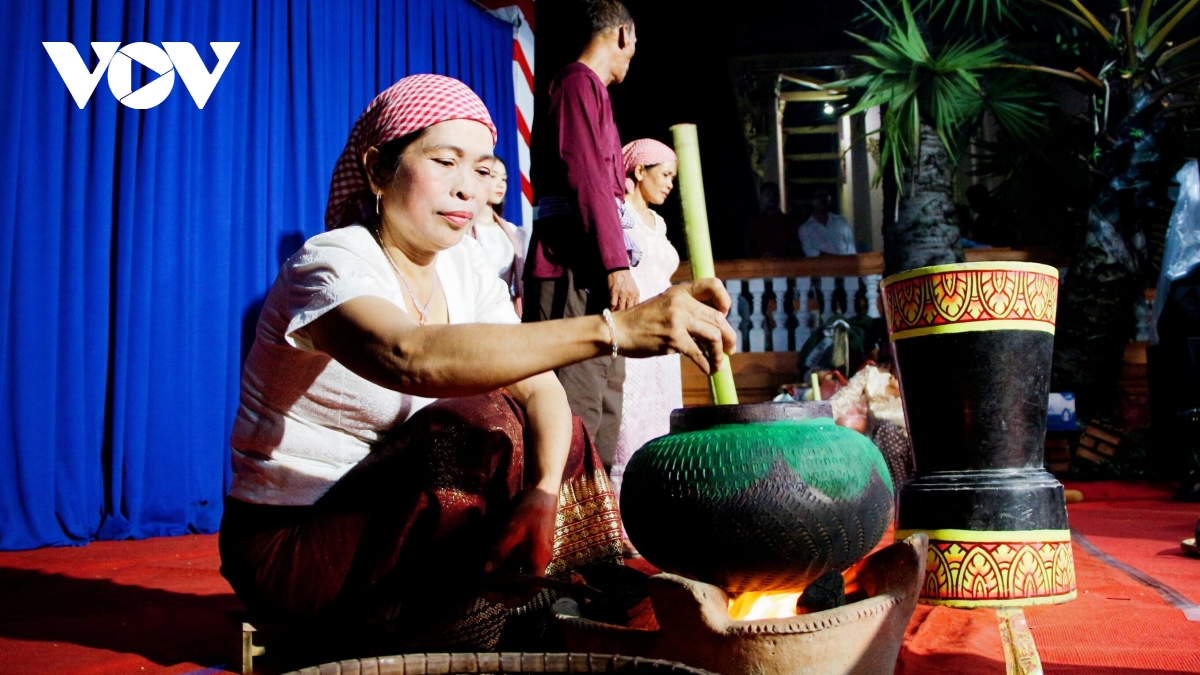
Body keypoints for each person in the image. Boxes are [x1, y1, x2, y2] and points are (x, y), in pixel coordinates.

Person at [218, 74, 737, 658]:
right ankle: (501, 611)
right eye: (445, 162)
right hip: (294, 547)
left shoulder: (464, 271)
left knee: (553, 426)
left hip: (394, 527)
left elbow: (542, 392)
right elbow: (407, 355)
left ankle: (538, 590)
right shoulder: (333, 260)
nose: (468, 188)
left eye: (482, 167)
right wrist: (612, 330)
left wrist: (542, 493)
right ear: (376, 171)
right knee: (475, 420)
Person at [525, 0, 638, 469]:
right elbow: (587, 176)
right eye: (634, 47)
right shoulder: (576, 83)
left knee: (607, 394)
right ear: (623, 35)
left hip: (590, 261)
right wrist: (616, 262)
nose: (632, 57)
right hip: (573, 262)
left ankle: (597, 522)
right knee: (577, 399)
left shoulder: (592, 90)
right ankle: (566, 529)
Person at [609, 139, 682, 510]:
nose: (670, 184)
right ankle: (623, 514)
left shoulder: (659, 222)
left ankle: (657, 509)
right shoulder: (619, 214)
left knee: (661, 414)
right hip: (635, 326)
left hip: (663, 338)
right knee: (629, 421)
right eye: (665, 174)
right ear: (640, 171)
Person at [469, 156, 525, 315]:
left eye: (504, 179)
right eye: (493, 176)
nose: (501, 184)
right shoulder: (462, 231)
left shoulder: (513, 232)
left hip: (506, 312)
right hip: (472, 311)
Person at [745, 182, 802, 258]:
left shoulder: (789, 221)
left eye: (775, 194)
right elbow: (749, 246)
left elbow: (796, 246)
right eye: (768, 194)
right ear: (761, 197)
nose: (772, 197)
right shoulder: (754, 223)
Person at [798, 188, 856, 257]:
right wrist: (836, 259)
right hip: (821, 267)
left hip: (844, 266)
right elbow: (810, 253)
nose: (822, 200)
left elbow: (851, 250)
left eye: (825, 196)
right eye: (818, 197)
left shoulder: (841, 222)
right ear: (811, 201)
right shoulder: (805, 229)